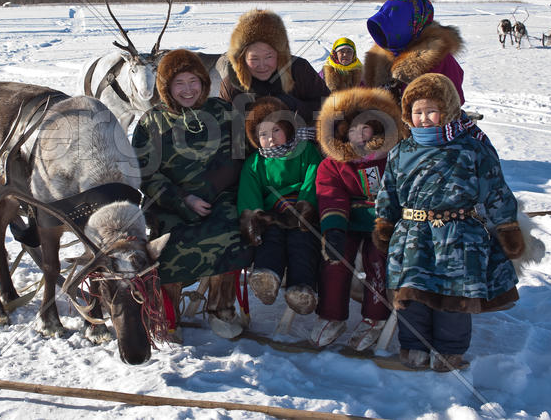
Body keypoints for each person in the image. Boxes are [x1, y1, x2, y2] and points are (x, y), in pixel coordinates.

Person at [373, 73, 525, 371]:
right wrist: (383, 222)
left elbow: (495, 189)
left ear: (448, 109)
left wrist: (507, 227)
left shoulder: (471, 148)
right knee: (411, 292)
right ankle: (413, 346)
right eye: (417, 112)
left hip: (459, 235)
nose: (424, 118)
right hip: (412, 234)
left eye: (431, 110)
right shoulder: (401, 151)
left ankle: (449, 351)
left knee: (453, 295)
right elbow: (388, 190)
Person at [132, 49, 253, 341]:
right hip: (171, 202)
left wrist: (214, 191)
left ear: (203, 81)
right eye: (179, 83)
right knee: (168, 245)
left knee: (231, 231)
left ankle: (220, 307)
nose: (187, 89)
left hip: (221, 195)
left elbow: (241, 155)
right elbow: (146, 174)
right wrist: (183, 199)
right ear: (166, 88)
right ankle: (167, 313)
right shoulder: (152, 122)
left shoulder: (221, 112)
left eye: (193, 81)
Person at [310, 87, 407, 349]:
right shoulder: (333, 164)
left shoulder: (394, 158)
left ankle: (374, 318)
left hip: (384, 221)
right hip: (349, 221)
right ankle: (331, 315)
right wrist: (334, 229)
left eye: (364, 127)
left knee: (377, 261)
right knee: (334, 259)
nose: (358, 134)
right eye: (350, 129)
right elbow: (331, 194)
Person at [237, 97, 322, 315]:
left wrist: (304, 209)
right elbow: (249, 193)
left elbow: (312, 179)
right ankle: (266, 276)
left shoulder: (305, 151)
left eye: (276, 130)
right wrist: (253, 219)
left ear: (287, 129)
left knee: (302, 243)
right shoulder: (256, 163)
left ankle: (301, 288)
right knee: (270, 242)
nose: (270, 139)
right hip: (271, 216)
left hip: (300, 213)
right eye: (263, 134)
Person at [219, 8, 330, 127]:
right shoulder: (231, 83)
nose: (262, 65)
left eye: (269, 56)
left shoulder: (299, 70)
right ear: (242, 59)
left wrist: (296, 108)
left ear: (280, 54)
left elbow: (331, 108)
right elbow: (225, 123)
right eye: (254, 59)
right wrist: (253, 117)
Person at [363, 0, 465, 105]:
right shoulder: (379, 55)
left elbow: (454, 103)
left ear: (414, 24)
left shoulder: (439, 59)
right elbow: (364, 92)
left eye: (394, 27)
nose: (386, 33)